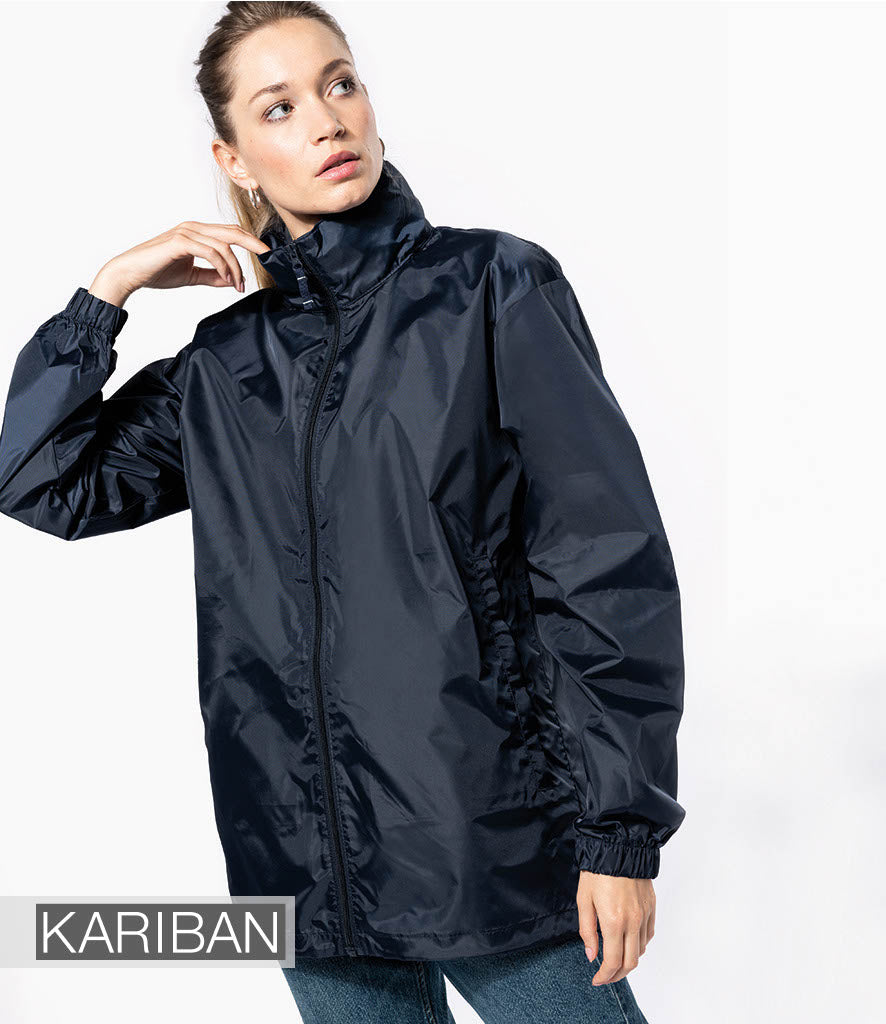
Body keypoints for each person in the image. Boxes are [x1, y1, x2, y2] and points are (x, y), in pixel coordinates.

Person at [0, 3, 685, 1021]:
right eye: (279, 107)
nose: (326, 120)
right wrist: (108, 292)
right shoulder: (225, 366)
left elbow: (601, 557)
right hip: (299, 862)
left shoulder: (490, 287)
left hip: (489, 839)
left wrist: (618, 832)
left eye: (339, 83)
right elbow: (41, 479)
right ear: (234, 159)